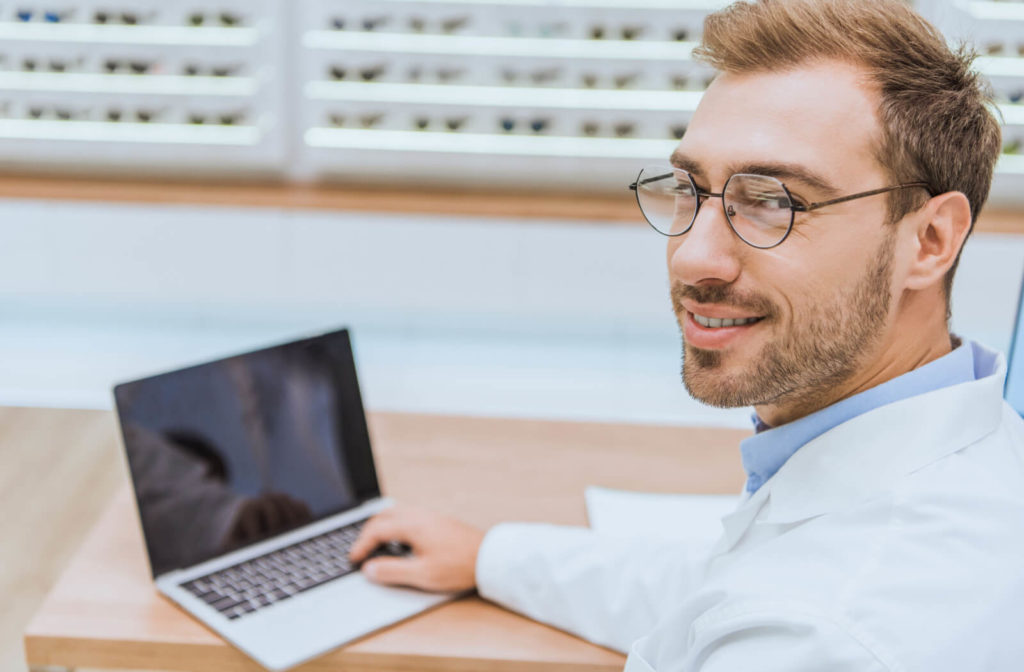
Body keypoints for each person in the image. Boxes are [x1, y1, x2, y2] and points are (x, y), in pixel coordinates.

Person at [349, 0, 1024, 669]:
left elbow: (776, 609)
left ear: (930, 240)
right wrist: (490, 557)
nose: (693, 257)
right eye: (689, 187)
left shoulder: (816, 638)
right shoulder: (973, 450)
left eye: (773, 201)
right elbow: (715, 588)